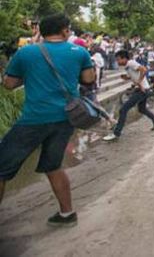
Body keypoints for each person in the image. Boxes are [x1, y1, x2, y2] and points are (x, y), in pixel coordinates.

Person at [0, 14, 95, 227]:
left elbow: (9, 84)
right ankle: (67, 213)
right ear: (63, 31)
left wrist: (31, 74)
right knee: (53, 166)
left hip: (34, 119)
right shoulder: (80, 52)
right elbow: (89, 80)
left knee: (1, 168)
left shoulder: (26, 53)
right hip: (65, 119)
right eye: (68, 28)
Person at [103, 50, 154, 141]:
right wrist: (127, 77)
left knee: (123, 110)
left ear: (124, 58)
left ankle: (116, 133)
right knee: (142, 109)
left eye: (118, 60)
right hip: (143, 89)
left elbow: (144, 69)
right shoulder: (127, 66)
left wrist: (139, 81)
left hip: (142, 90)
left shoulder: (131, 63)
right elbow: (136, 74)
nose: (117, 62)